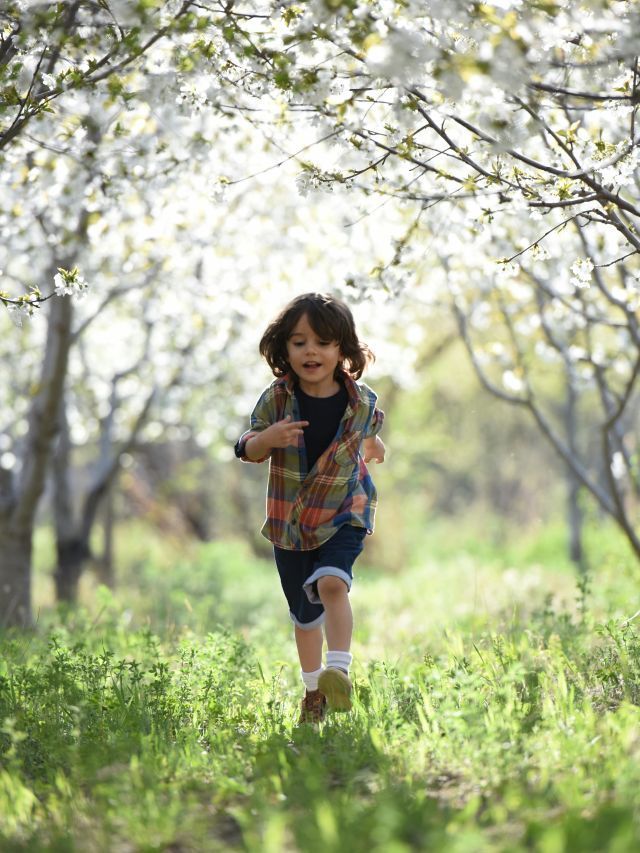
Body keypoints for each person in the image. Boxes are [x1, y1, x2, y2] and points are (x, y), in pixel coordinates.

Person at [234, 292, 385, 725]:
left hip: (345, 509)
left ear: (343, 350)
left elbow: (369, 429)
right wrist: (267, 440)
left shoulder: (361, 400)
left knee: (333, 584)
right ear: (284, 351)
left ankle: (339, 669)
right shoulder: (277, 401)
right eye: (299, 343)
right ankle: (314, 690)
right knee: (305, 616)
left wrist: (374, 446)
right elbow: (246, 445)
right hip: (293, 523)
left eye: (322, 342)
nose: (311, 351)